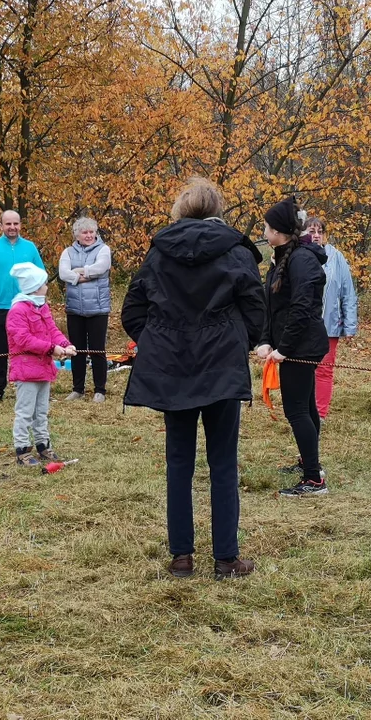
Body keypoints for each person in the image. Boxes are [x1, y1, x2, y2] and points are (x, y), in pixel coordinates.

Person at [122, 178, 265, 581]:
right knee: (221, 463)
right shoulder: (234, 252)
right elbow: (257, 311)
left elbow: (133, 311)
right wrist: (237, 342)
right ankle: (221, 558)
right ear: (217, 208)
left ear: (181, 210)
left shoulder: (162, 253)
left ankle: (185, 556)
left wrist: (160, 342)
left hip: (183, 370)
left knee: (179, 462)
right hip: (213, 366)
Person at [255, 199, 330, 497]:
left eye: (266, 226)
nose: (264, 230)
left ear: (279, 231)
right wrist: (265, 340)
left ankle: (314, 480)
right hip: (292, 345)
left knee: (297, 410)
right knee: (306, 407)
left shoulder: (302, 259)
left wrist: (284, 349)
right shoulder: (280, 257)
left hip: (302, 346)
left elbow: (301, 307)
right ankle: (309, 462)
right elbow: (272, 305)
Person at [6, 263, 77, 466]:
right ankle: (22, 449)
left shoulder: (42, 306)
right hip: (26, 369)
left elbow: (52, 329)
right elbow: (23, 339)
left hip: (43, 368)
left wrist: (65, 344)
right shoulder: (18, 310)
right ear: (35, 286)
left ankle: (43, 445)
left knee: (41, 410)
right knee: (25, 412)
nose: (47, 286)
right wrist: (51, 349)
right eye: (44, 283)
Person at [0, 210, 46, 402]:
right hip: (1, 306)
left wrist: (37, 297)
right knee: (1, 349)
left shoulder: (30, 247)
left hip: (26, 307)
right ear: (1, 226)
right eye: (8, 224)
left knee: (29, 347)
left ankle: (33, 384)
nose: (12, 227)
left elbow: (41, 273)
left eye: (16, 224)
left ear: (21, 225)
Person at [306, 217, 358, 420]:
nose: (316, 235)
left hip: (329, 325)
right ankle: (303, 411)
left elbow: (348, 292)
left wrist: (350, 325)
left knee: (324, 371)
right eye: (311, 231)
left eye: (320, 231)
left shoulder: (336, 257)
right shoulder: (297, 255)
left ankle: (320, 414)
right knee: (303, 371)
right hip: (303, 326)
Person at [59, 216, 112, 403]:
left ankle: (100, 390)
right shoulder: (67, 252)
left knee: (98, 350)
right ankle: (78, 389)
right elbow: (63, 272)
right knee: (76, 350)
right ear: (77, 235)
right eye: (85, 232)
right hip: (74, 308)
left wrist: (80, 271)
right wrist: (80, 276)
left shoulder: (103, 249)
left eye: (92, 232)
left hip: (98, 308)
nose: (89, 235)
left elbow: (102, 267)